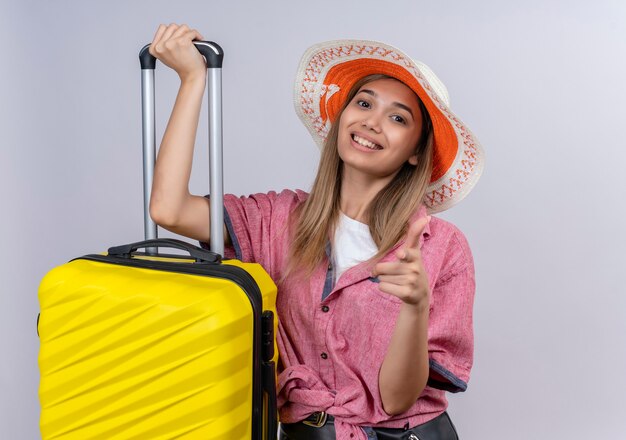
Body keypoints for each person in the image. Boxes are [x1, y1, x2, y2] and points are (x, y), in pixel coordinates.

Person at [148, 23, 484, 440]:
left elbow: (396, 401)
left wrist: (415, 307)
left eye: (398, 117)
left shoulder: (443, 248)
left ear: (417, 150)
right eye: (364, 103)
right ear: (342, 116)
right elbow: (169, 209)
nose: (373, 122)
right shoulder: (276, 219)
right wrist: (192, 79)